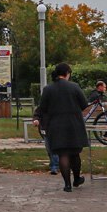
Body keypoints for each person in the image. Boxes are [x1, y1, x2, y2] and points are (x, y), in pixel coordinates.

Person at [33, 62, 88, 192]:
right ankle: (76, 179)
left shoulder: (48, 89)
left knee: (63, 154)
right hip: (74, 124)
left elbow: (43, 107)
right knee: (75, 153)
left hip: (56, 126)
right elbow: (84, 104)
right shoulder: (74, 87)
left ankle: (67, 185)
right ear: (67, 73)